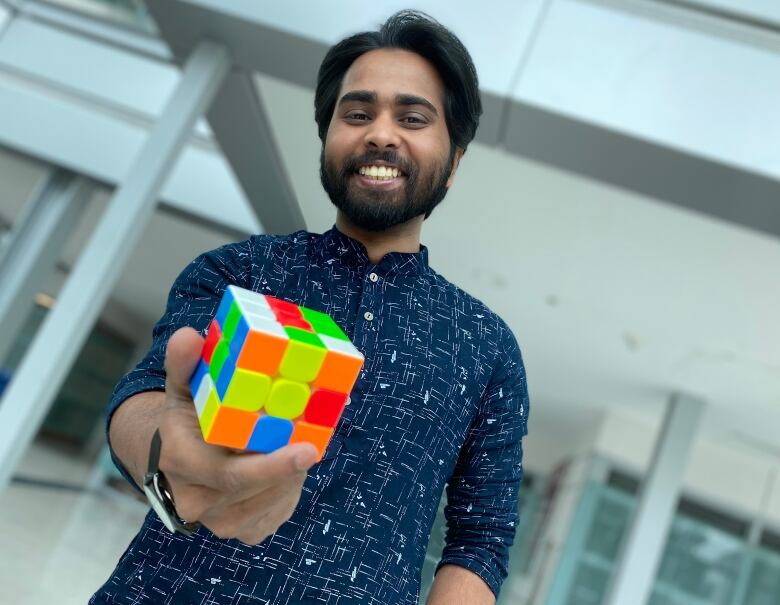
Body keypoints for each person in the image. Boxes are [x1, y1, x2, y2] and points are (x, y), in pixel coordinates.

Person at [91, 10, 529, 605]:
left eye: (412, 117)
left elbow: (480, 539)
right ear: (327, 138)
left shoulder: (488, 347)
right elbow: (143, 399)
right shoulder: (238, 273)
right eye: (357, 113)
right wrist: (168, 452)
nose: (380, 134)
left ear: (453, 161)